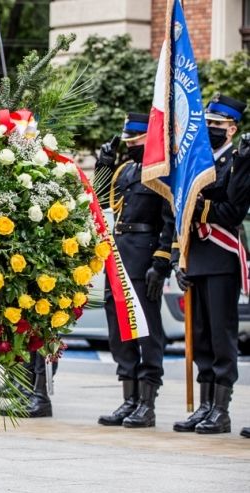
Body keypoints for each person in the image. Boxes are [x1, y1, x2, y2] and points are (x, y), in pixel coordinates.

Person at [173, 94, 250, 435]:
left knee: (221, 336)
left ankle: (221, 409)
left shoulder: (239, 160)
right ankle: (204, 404)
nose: (210, 129)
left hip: (221, 256)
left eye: (217, 125)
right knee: (201, 336)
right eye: (208, 124)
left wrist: (201, 207)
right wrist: (178, 258)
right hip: (197, 256)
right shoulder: (197, 161)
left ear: (232, 129)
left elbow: (233, 210)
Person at [95, 113, 175, 428]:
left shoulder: (161, 172)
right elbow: (101, 200)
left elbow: (169, 220)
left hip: (144, 258)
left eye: (135, 140)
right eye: (127, 140)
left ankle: (147, 402)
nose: (129, 145)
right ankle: (128, 397)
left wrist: (161, 261)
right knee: (119, 331)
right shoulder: (125, 170)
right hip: (118, 255)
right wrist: (103, 164)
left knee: (146, 332)